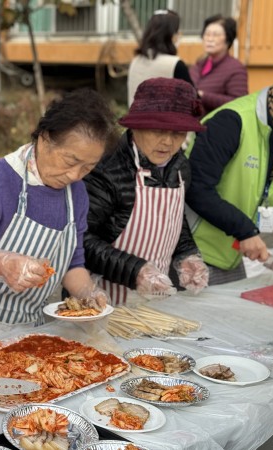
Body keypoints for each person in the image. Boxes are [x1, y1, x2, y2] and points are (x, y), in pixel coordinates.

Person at [0, 88, 119, 350]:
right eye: (71, 160)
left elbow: (73, 263)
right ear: (44, 139)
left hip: (29, 325)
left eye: (88, 168)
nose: (75, 175)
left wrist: (88, 294)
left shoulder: (76, 194)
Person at [84, 78, 209, 304]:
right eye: (158, 131)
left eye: (178, 133)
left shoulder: (180, 166)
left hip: (155, 299)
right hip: (103, 300)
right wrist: (135, 271)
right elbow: (80, 239)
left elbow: (173, 219)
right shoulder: (106, 169)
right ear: (136, 126)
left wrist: (187, 255)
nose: (168, 142)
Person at [185, 54, 273, 285]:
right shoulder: (232, 121)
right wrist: (245, 230)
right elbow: (197, 187)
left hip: (233, 254)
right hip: (190, 252)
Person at [127, 9, 193, 107]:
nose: (179, 35)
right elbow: (193, 100)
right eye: (177, 31)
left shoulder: (136, 61)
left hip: (134, 121)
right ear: (170, 35)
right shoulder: (175, 65)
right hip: (166, 122)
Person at [189, 14, 248, 114]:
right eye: (207, 34)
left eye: (215, 35)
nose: (210, 39)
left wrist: (203, 96)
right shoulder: (198, 65)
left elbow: (240, 103)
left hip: (215, 126)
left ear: (228, 39)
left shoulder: (236, 68)